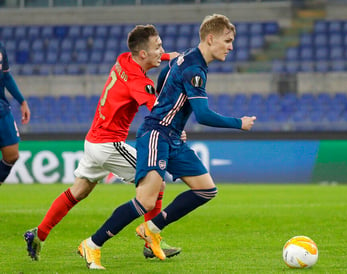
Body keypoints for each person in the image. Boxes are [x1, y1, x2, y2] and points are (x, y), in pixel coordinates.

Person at [78, 13, 256, 269]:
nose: (231, 46)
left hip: (172, 137)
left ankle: (152, 228)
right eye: (227, 41)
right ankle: (92, 245)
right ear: (210, 38)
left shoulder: (186, 57)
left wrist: (166, 105)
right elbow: (203, 115)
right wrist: (239, 123)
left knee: (206, 189)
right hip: (156, 135)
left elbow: (164, 78)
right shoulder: (194, 69)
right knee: (146, 201)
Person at [23, 25, 182, 265]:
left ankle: (39, 234)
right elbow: (158, 112)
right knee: (155, 180)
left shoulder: (124, 59)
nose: (162, 50)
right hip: (109, 143)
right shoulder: (139, 82)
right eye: (158, 47)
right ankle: (150, 241)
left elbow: (152, 58)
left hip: (93, 141)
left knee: (78, 191)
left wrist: (171, 56)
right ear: (142, 54)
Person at [0, 42, 31, 186]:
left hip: (2, 110)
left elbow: (6, 76)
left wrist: (22, 101)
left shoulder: (1, 46)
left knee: (12, 155)